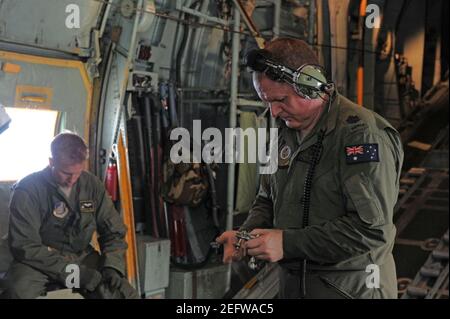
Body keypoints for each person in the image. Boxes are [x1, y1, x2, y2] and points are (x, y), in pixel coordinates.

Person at [216, 38, 404, 299]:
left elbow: (371, 230)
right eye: (266, 101)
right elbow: (267, 197)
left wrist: (285, 243)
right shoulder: (286, 131)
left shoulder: (360, 136)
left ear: (311, 85)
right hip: (298, 288)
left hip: (351, 291)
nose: (273, 112)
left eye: (280, 100)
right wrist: (245, 237)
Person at [2, 132, 139, 299]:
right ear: (51, 162)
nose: (72, 179)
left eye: (78, 172)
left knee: (123, 293)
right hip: (39, 260)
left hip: (81, 255)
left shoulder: (92, 185)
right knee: (17, 291)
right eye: (66, 173)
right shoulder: (28, 190)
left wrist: (112, 266)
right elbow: (25, 246)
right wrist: (77, 274)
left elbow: (113, 232)